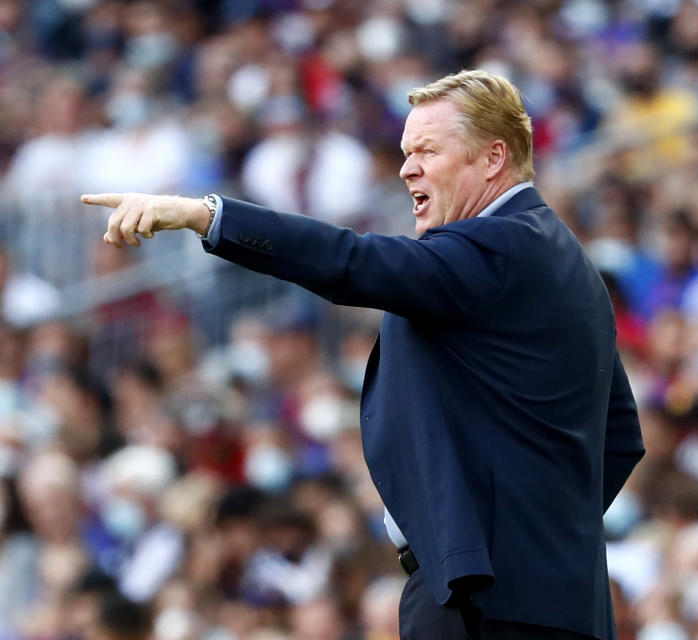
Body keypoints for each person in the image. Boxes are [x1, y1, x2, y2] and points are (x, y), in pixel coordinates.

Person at [81, 69, 645, 640]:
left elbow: (353, 262)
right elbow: (620, 432)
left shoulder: (499, 244)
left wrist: (205, 215)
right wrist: (544, 542)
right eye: (405, 152)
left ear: (493, 158)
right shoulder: (569, 263)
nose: (406, 169)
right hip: (556, 601)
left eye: (427, 150)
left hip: (485, 603)